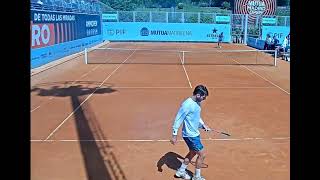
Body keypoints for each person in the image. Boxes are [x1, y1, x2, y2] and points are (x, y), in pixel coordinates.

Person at [170, 85, 211, 180]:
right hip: (190, 135)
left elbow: (196, 116)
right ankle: (197, 177)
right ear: (198, 94)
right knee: (202, 154)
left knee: (192, 153)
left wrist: (203, 125)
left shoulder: (197, 103)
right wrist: (174, 135)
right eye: (203, 97)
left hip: (194, 133)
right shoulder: (187, 104)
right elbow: (178, 118)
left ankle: (180, 171)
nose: (204, 99)